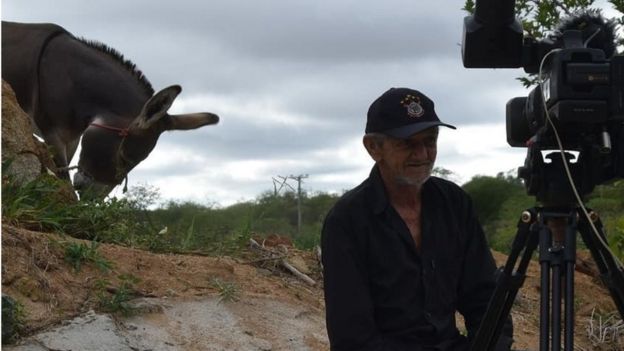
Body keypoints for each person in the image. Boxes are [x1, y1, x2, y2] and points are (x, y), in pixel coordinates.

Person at [321, 87, 514, 351]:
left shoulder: (454, 203)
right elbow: (352, 337)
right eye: (407, 143)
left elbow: (485, 297)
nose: (422, 154)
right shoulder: (347, 220)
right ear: (374, 147)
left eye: (430, 141)